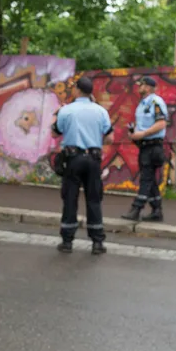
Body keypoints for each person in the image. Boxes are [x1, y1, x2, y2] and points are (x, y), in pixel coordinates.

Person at [52, 76, 114, 254]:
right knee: (94, 199)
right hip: (93, 159)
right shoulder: (101, 111)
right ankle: (97, 242)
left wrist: (57, 116)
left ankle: (67, 241)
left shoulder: (67, 110)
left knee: (70, 198)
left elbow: (55, 133)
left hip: (73, 159)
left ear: (78, 90)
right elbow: (110, 137)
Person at [121, 77, 169, 222]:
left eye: (141, 85)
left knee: (146, 178)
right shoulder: (141, 104)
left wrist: (142, 134)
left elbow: (161, 123)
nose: (138, 87)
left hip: (153, 146)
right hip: (144, 146)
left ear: (148, 87)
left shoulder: (156, 102)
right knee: (150, 180)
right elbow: (143, 125)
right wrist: (134, 133)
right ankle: (156, 210)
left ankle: (136, 209)